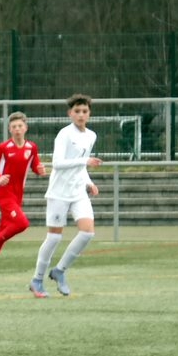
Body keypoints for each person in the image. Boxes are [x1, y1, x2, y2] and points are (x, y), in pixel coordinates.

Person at [30, 93, 102, 297]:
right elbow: (58, 163)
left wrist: (89, 182)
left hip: (78, 192)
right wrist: (85, 162)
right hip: (59, 193)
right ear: (70, 113)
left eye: (84, 111)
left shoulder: (91, 135)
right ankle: (37, 280)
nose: (81, 115)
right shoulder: (64, 134)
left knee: (87, 232)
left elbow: (80, 165)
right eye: (77, 111)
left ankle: (59, 271)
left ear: (89, 114)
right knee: (54, 237)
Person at [0, 111, 46, 280]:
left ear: (26, 128)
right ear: (9, 129)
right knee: (22, 223)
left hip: (17, 194)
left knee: (4, 230)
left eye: (20, 126)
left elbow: (35, 165)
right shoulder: (4, 147)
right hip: (4, 193)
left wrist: (40, 170)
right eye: (14, 126)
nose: (17, 129)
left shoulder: (32, 147)